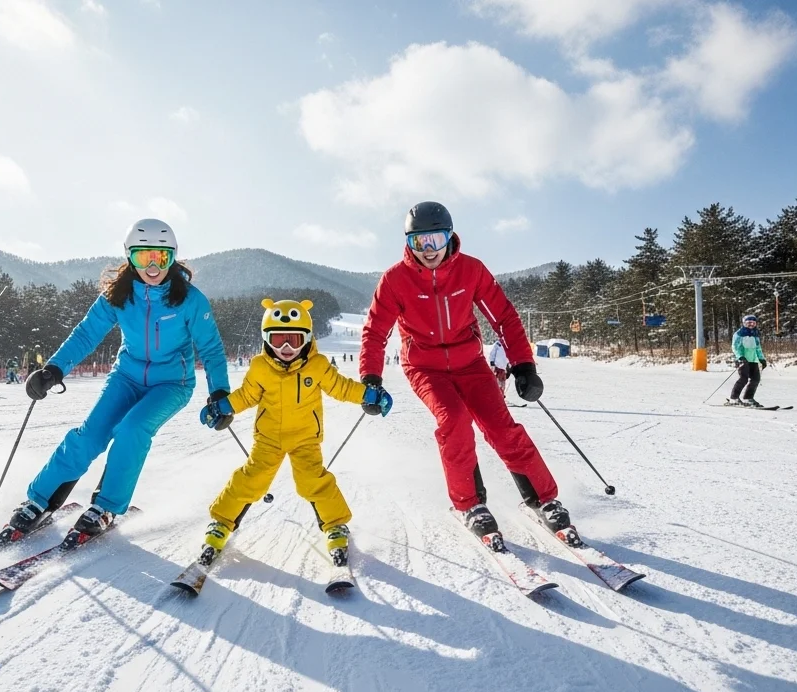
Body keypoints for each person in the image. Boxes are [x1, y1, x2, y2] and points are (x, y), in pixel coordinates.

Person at [359, 201, 574, 552]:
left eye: (436, 240)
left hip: (470, 363)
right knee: (454, 421)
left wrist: (523, 366)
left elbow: (504, 317)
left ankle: (543, 498)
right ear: (408, 243)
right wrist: (371, 377)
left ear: (450, 237)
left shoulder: (470, 271)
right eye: (419, 242)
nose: (429, 250)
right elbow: (375, 331)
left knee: (502, 426)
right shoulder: (395, 279)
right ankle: (470, 504)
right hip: (425, 367)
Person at [4, 218, 229, 539]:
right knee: (90, 436)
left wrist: (219, 392)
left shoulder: (189, 299)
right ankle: (39, 500)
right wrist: (53, 370)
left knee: (132, 430)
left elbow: (210, 348)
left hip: (172, 384)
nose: (153, 267)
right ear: (129, 257)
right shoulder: (118, 294)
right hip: (126, 377)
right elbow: (86, 334)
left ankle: (106, 505)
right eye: (143, 257)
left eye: (161, 258)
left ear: (173, 258)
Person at [197, 298, 391, 568]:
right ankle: (221, 523)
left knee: (313, 481)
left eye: (294, 340)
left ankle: (335, 526)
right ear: (266, 340)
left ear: (307, 339)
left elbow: (342, 387)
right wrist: (222, 407)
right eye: (278, 341)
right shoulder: (260, 368)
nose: (286, 348)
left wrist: (369, 394)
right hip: (268, 440)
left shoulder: (318, 365)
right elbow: (246, 396)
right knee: (251, 479)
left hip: (305, 439)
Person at [726, 314, 767, 407]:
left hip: (753, 360)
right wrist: (740, 357)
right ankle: (734, 398)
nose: (751, 325)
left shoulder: (755, 334)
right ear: (744, 323)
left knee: (756, 379)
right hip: (742, 360)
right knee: (743, 379)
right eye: (749, 323)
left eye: (753, 323)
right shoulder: (739, 334)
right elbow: (735, 347)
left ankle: (748, 398)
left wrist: (762, 359)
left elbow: (758, 348)